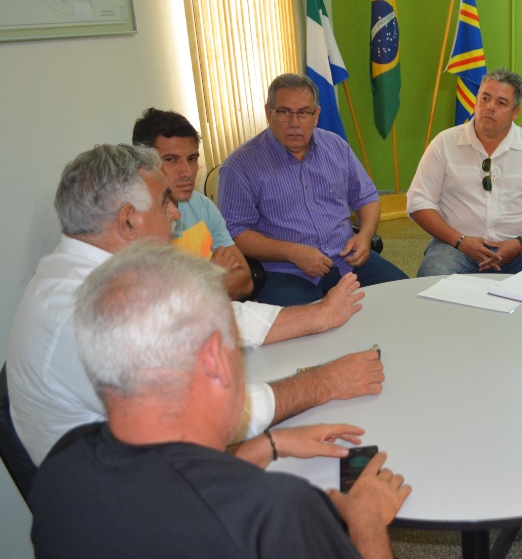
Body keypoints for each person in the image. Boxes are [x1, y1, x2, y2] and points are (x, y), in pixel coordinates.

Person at [7, 144, 384, 466]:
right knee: (313, 506)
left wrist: (319, 315)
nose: (175, 215)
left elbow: (203, 314)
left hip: (141, 461)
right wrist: (324, 382)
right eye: (164, 202)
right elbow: (208, 414)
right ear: (127, 221)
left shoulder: (101, 267)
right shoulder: (82, 314)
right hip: (130, 504)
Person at [30, 243, 411, 558]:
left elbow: (172, 499)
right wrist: (366, 526)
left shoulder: (61, 466)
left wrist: (266, 445)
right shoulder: (274, 514)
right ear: (214, 358)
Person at [218, 73, 407, 306]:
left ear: (316, 115)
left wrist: (365, 237)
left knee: (404, 299)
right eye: (284, 112)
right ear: (269, 113)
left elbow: (367, 197)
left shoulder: (336, 146)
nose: (294, 123)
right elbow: (236, 232)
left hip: (346, 259)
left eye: (304, 113)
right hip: (286, 271)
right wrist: (292, 252)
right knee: (307, 333)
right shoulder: (240, 166)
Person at [407, 68, 522, 275]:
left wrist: (519, 243)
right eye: (485, 98)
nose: (490, 107)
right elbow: (418, 202)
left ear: (515, 112)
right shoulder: (444, 143)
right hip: (455, 247)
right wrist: (461, 241)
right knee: (433, 274)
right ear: (475, 101)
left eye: (501, 103)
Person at [132, 107, 253, 300]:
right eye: (171, 160)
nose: (187, 172)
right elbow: (158, 306)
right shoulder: (134, 222)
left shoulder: (202, 205)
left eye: (192, 159)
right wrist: (211, 276)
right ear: (144, 164)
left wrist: (197, 287)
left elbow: (245, 280)